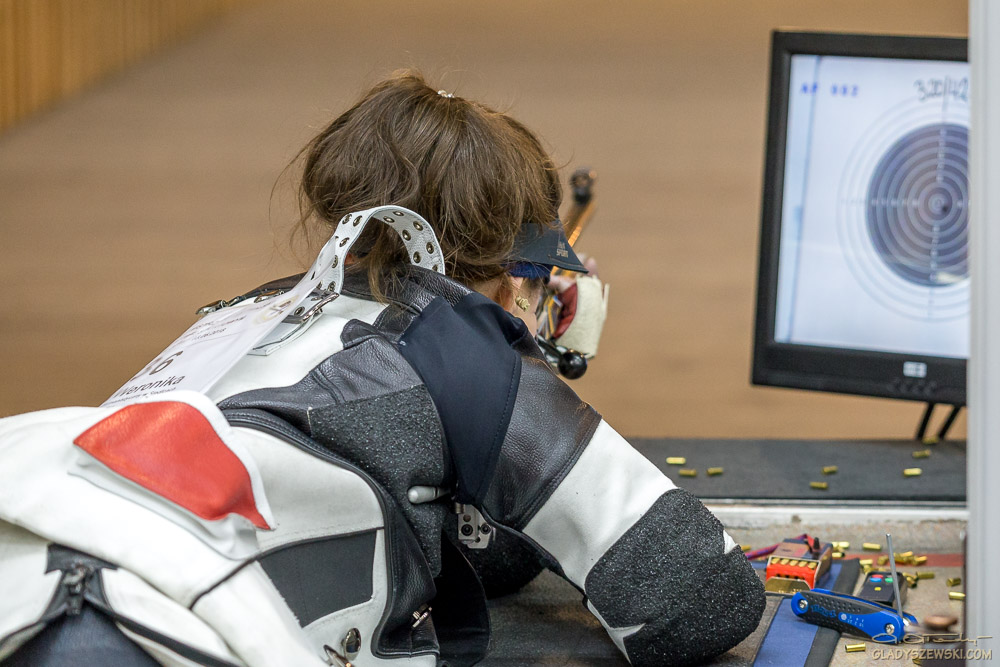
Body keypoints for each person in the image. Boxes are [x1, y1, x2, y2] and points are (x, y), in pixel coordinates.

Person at [0, 71, 764, 666]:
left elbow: (480, 549)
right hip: (135, 631)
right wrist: (521, 364)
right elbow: (698, 595)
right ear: (509, 285)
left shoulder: (248, 313)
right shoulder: (457, 340)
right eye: (537, 287)